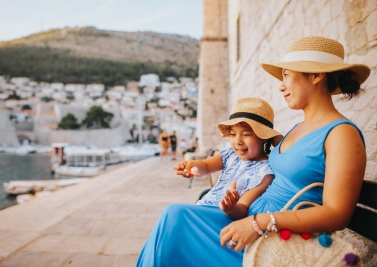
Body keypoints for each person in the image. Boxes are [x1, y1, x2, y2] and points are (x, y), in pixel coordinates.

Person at [136, 36, 370, 266]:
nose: (281, 85)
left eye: (286, 75)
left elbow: (338, 214)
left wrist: (260, 222)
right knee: (173, 219)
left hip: (274, 237)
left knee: (175, 219)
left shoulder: (341, 133)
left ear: (317, 75)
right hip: (248, 219)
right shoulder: (297, 129)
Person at [173, 97, 282, 220]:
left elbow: (242, 208)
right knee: (173, 215)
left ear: (263, 136)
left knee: (175, 212)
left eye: (246, 134)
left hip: (222, 218)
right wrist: (192, 166)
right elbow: (206, 166)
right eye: (232, 134)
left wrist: (231, 208)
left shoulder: (265, 173)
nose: (238, 141)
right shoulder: (231, 153)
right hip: (204, 209)